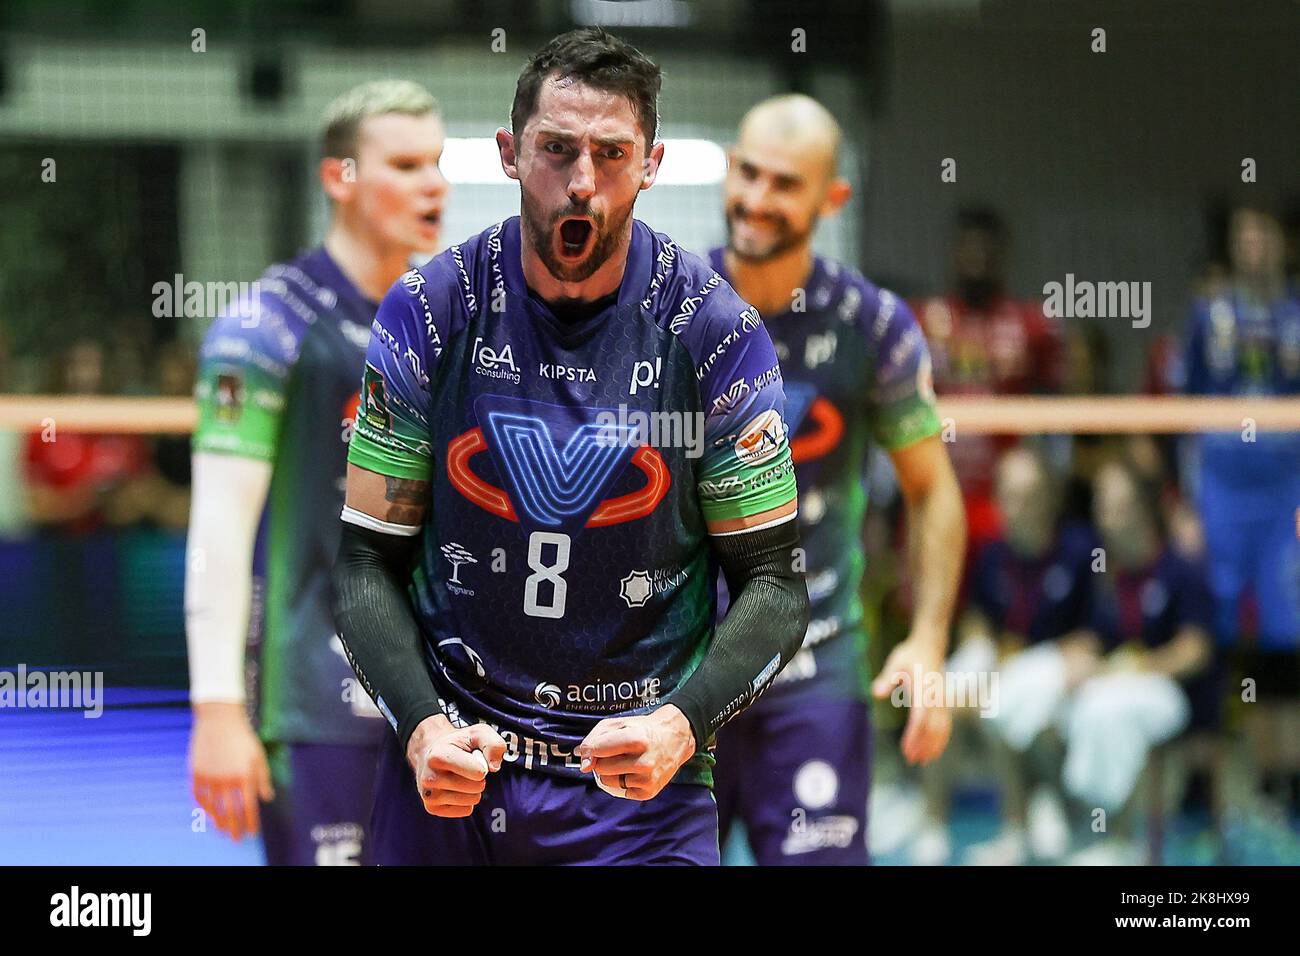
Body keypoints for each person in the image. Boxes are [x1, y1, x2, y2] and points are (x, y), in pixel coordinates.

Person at [331, 28, 809, 866]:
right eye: (557, 150)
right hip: (459, 777)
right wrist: (419, 730)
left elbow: (774, 586)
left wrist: (680, 725)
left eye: (612, 154)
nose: (582, 183)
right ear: (511, 153)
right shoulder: (429, 312)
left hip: (640, 796)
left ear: (651, 163)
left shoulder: (717, 335)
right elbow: (366, 562)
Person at [185, 80, 448, 865]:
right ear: (340, 179)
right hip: (313, 707)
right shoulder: (266, 328)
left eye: (436, 163)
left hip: (442, 710)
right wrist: (218, 710)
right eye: (404, 164)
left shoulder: (450, 324)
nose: (432, 184)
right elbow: (220, 534)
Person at [706, 94, 964, 865]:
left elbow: (933, 489)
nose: (756, 199)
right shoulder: (663, 306)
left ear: (832, 198)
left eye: (786, 183)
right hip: (676, 671)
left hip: (814, 666)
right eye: (747, 173)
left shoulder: (872, 323)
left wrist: (927, 640)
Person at [1180, 204, 1300, 813]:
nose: (1254, 247)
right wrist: (1186, 502)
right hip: (1222, 489)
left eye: (1264, 235)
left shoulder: (1299, 310)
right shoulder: (1209, 312)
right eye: (1243, 237)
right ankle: (1204, 777)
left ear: (1282, 243)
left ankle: (1285, 778)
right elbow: (1179, 408)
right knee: (1216, 630)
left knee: (1287, 629)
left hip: (1288, 492)